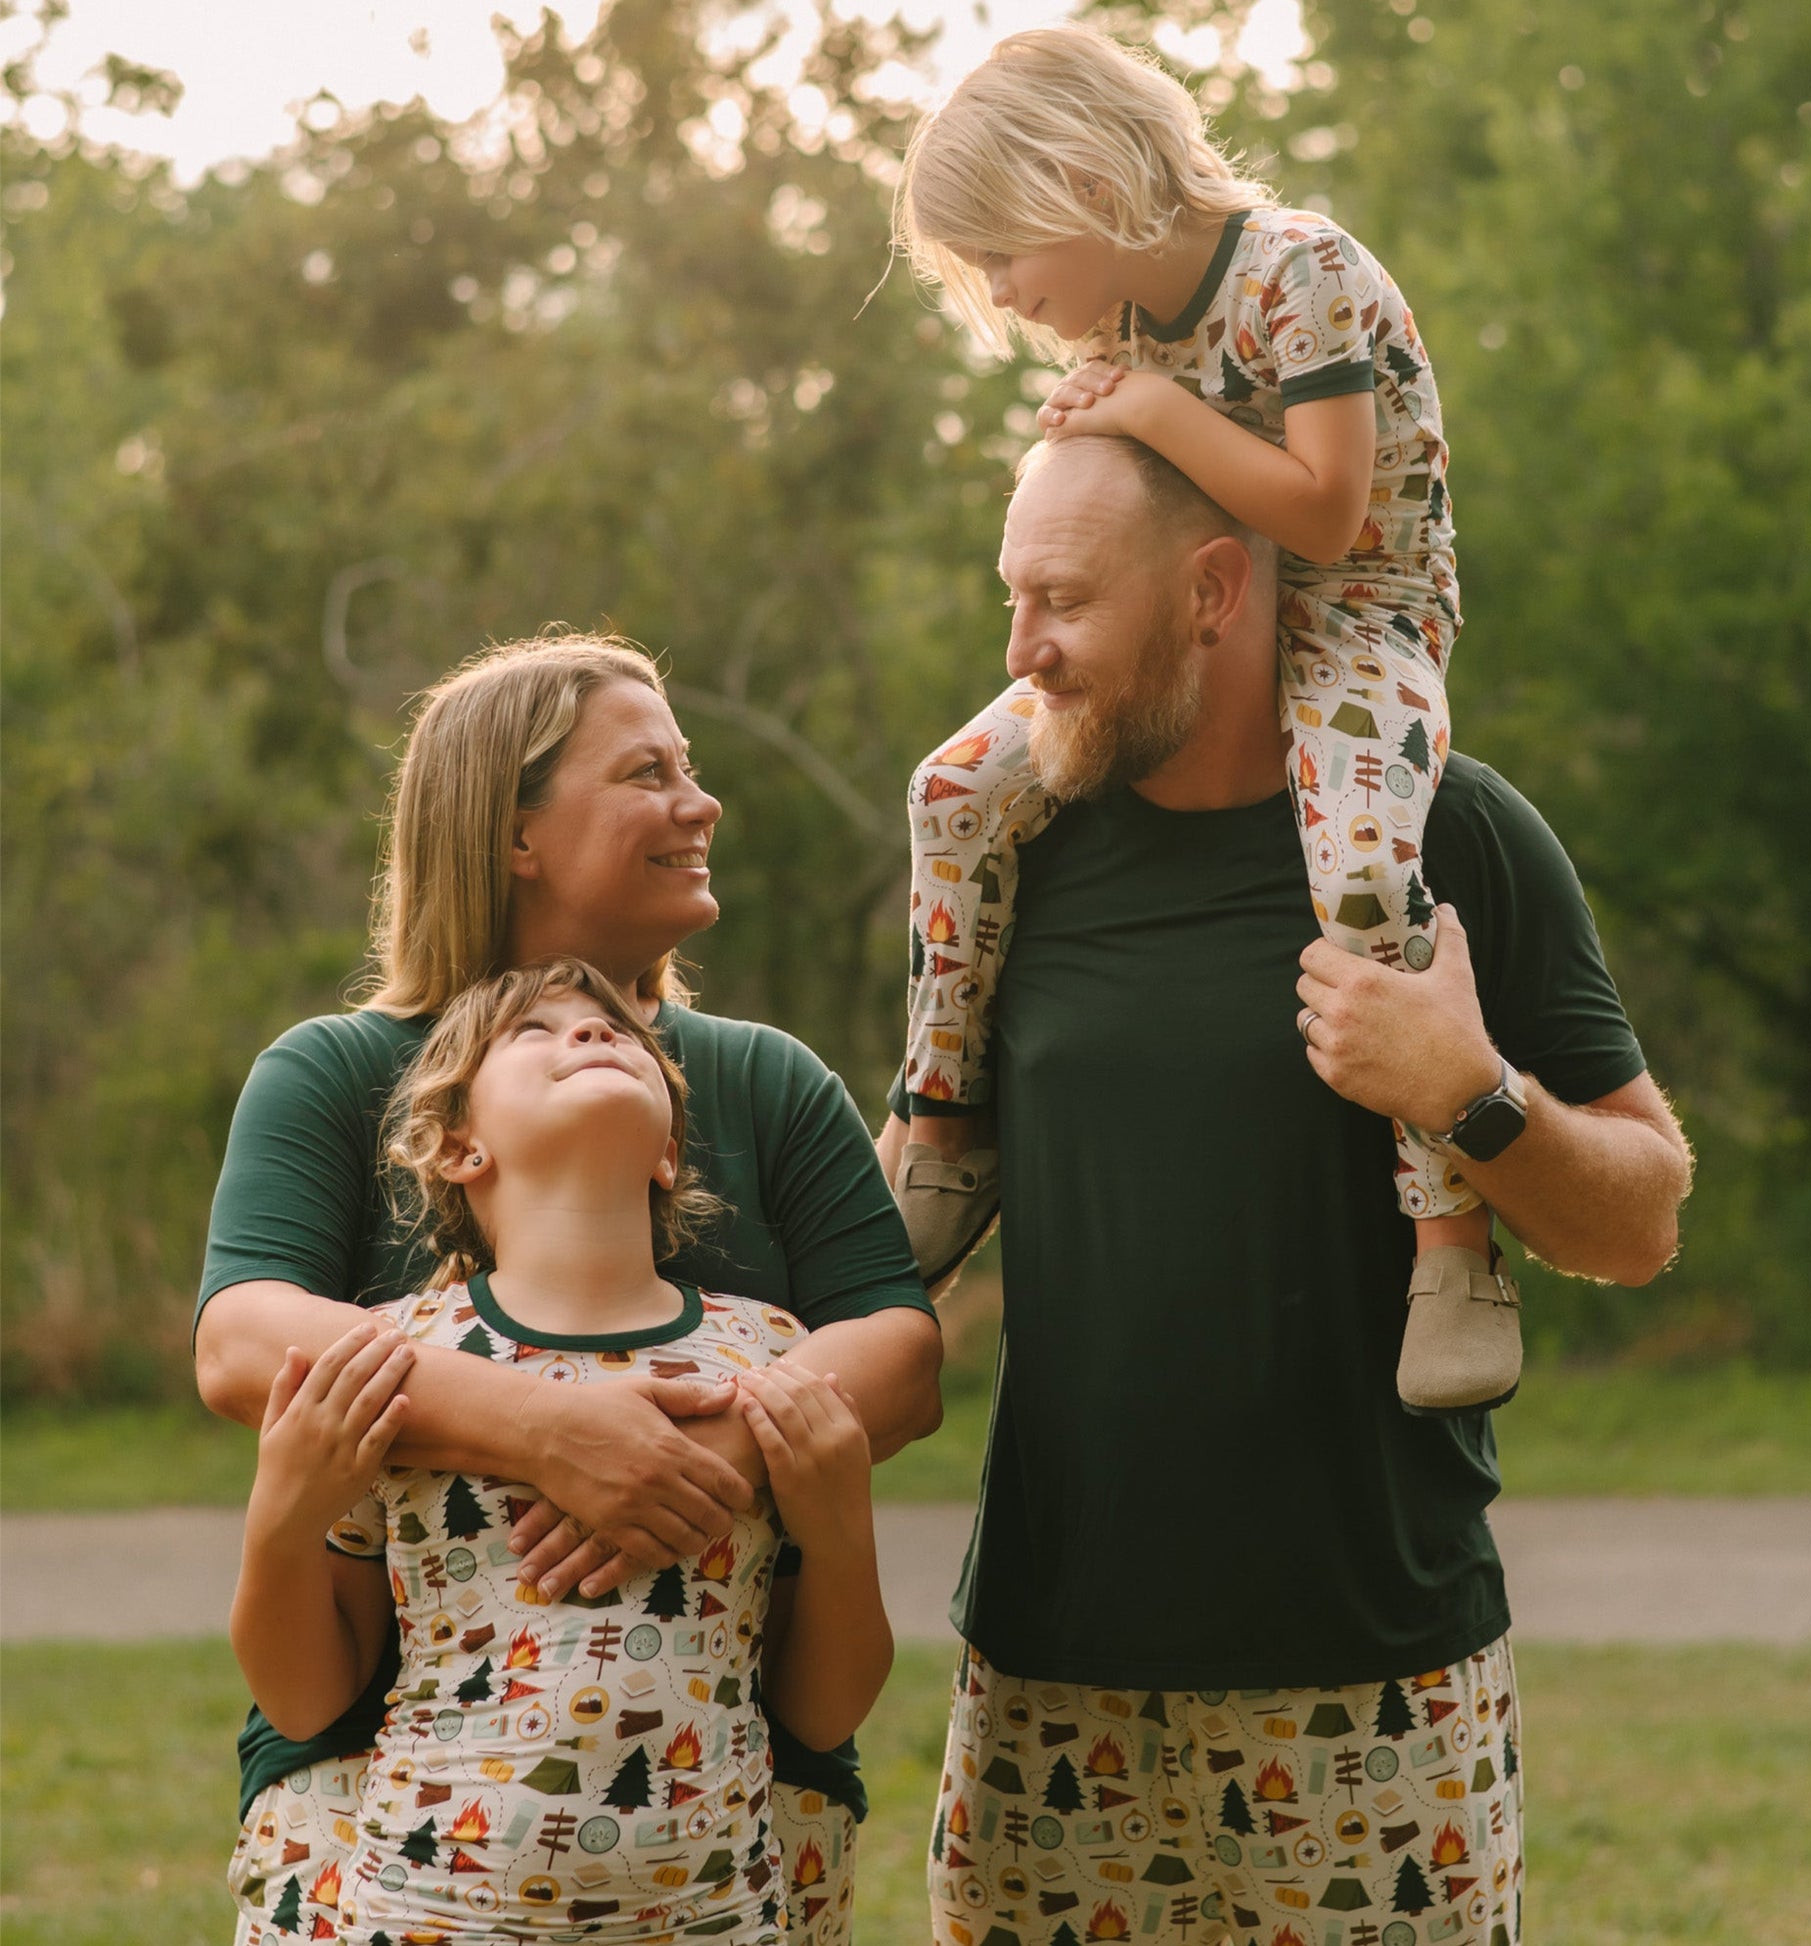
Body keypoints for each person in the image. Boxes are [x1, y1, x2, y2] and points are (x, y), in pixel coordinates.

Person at [877, 433, 1693, 1946]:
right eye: (1009, 596)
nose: (1018, 652)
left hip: (1378, 1677)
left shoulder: (1446, 828)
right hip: (1047, 1681)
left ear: (1209, 590)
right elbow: (913, 1182)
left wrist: (1469, 1092)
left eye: (1060, 600)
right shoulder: (1011, 851)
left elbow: (1641, 1215)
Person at [199, 635, 941, 1945]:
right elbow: (244, 1342)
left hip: (736, 1812)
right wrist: (551, 1428)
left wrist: (705, 1458)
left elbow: (895, 1349)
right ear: (515, 832)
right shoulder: (331, 1071)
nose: (699, 803)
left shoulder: (762, 1079)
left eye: (690, 770)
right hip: (381, 1813)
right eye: (648, 773)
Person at [889, 24, 1508, 1413]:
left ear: (1081, 186)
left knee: (1357, 862)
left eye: (1001, 254)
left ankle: (1450, 1233)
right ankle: (941, 1123)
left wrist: (1155, 411)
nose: (997, 291)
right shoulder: (1121, 326)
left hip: (1358, 612)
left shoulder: (1305, 272)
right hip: (1199, 616)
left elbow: (1325, 511)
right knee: (953, 792)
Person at [231, 957, 893, 1944]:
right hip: (425, 1914)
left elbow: (820, 1707)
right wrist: (281, 1513)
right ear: (456, 1144)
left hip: (714, 1917)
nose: (590, 1035)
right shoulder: (391, 1356)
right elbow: (306, 1692)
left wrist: (841, 1533)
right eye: (535, 1031)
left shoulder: (773, 1355)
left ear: (670, 1150)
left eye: (620, 1032)